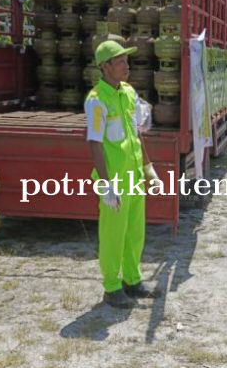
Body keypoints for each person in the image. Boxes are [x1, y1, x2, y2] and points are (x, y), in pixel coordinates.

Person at [85, 40, 162, 309]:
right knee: (113, 234)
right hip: (115, 180)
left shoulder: (129, 92)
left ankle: (132, 279)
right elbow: (95, 142)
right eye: (120, 61)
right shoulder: (97, 101)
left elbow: (136, 131)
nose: (126, 66)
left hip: (134, 176)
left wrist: (148, 167)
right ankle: (112, 287)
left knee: (134, 231)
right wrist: (106, 185)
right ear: (105, 67)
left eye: (126, 61)